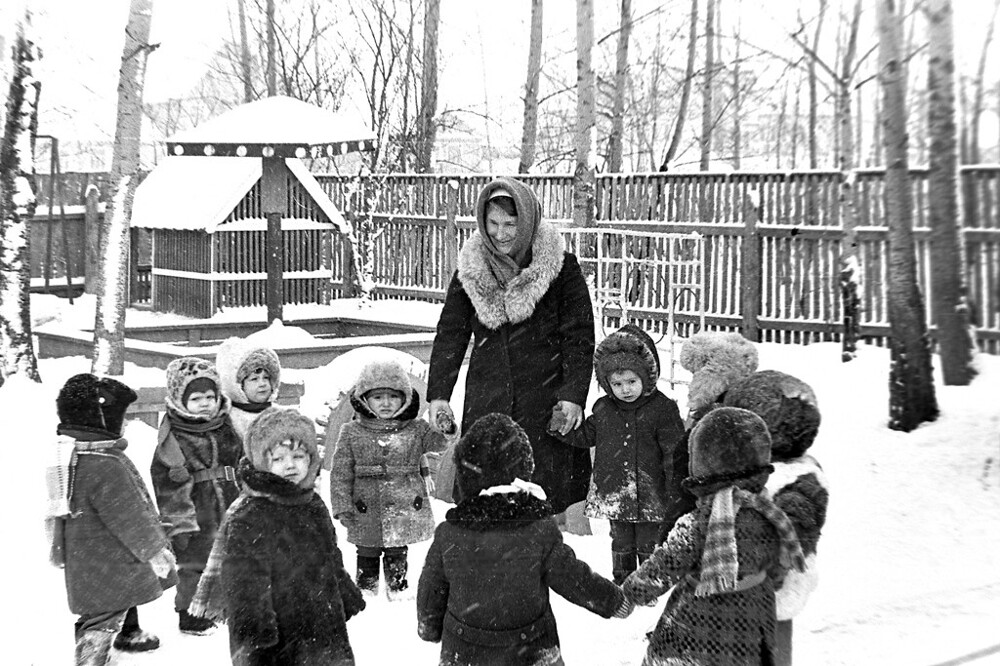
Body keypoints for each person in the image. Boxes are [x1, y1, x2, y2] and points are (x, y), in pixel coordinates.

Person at [426, 176, 595, 516]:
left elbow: (579, 336)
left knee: (541, 496)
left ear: (528, 222)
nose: (500, 234)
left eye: (510, 224)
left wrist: (573, 395)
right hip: (488, 398)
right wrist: (439, 394)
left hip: (544, 400)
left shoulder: (560, 269)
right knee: (483, 492)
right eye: (493, 224)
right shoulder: (471, 269)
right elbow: (451, 333)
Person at [417, 413, 630, 666]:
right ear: (524, 472)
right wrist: (613, 601)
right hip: (530, 648)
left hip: (465, 651)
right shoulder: (539, 531)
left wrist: (429, 625)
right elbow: (573, 577)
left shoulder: (449, 533)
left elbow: (432, 587)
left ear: (465, 477)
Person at [619, 407, 806, 666]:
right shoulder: (769, 512)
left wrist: (632, 590)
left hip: (701, 619)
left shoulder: (699, 522)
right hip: (753, 613)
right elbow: (778, 562)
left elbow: (664, 566)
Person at [218, 408, 365, 665]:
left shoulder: (313, 504)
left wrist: (343, 590)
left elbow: (329, 556)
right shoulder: (250, 515)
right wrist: (254, 634)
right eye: (278, 458)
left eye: (298, 456)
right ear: (261, 462)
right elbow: (243, 583)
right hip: (278, 637)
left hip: (323, 623)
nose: (290, 465)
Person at [52, 374, 176, 666]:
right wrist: (155, 550)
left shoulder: (73, 456)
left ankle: (124, 634)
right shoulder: (104, 465)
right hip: (111, 555)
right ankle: (91, 656)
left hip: (86, 555)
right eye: (121, 418)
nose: (125, 424)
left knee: (107, 604)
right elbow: (128, 516)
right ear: (102, 421)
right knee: (106, 611)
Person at [548, 324, 686, 584]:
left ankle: (650, 582)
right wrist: (560, 427)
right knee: (621, 540)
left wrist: (674, 489)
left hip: (651, 492)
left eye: (632, 381)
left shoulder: (662, 409)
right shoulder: (603, 409)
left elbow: (673, 453)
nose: (625, 389)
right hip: (614, 491)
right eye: (617, 383)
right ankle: (622, 581)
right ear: (607, 383)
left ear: (647, 377)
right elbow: (586, 435)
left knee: (649, 540)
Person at [723, 370, 829, 666]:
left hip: (774, 587)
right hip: (744, 584)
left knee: (771, 650)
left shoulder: (799, 480)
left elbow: (795, 536)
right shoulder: (755, 471)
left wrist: (771, 579)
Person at [329, 358, 452, 599]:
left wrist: (443, 427)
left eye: (393, 396)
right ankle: (367, 592)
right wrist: (342, 505)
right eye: (378, 397)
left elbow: (437, 444)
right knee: (367, 549)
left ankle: (397, 589)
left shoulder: (415, 428)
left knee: (397, 547)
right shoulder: (351, 431)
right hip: (365, 504)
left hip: (403, 502)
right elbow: (341, 471)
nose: (386, 403)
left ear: (405, 397)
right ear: (364, 399)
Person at [151, 357, 242, 635]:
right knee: (194, 563)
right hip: (197, 509)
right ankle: (190, 614)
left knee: (233, 557)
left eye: (210, 396)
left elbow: (242, 460)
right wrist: (179, 522)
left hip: (231, 500)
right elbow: (167, 483)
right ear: (181, 400)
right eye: (196, 398)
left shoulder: (226, 426)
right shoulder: (175, 437)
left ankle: (228, 607)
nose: (205, 403)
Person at [217, 338, 282, 444]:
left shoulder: (279, 415)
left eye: (266, 377)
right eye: (254, 379)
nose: (262, 384)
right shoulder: (230, 420)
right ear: (238, 385)